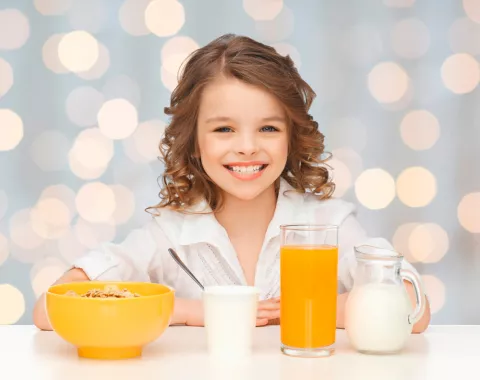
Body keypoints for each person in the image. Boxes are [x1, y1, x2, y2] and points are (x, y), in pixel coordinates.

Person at [33, 34, 430, 332]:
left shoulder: (329, 225)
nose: (247, 147)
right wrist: (192, 312)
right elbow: (50, 309)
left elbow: (415, 309)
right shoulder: (168, 236)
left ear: (292, 135)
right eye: (224, 128)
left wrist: (310, 306)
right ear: (194, 140)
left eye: (268, 128)